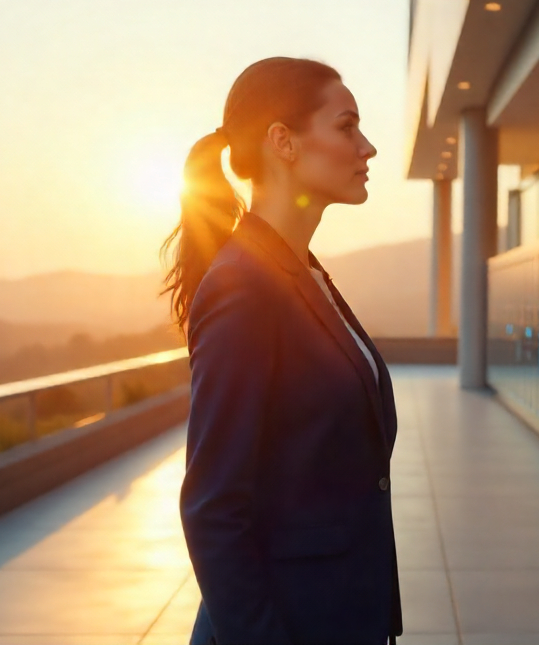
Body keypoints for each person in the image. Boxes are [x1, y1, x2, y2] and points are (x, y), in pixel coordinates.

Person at [160, 57, 401, 645]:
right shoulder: (244, 287)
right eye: (347, 126)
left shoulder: (300, 273)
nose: (367, 147)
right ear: (282, 142)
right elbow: (214, 509)